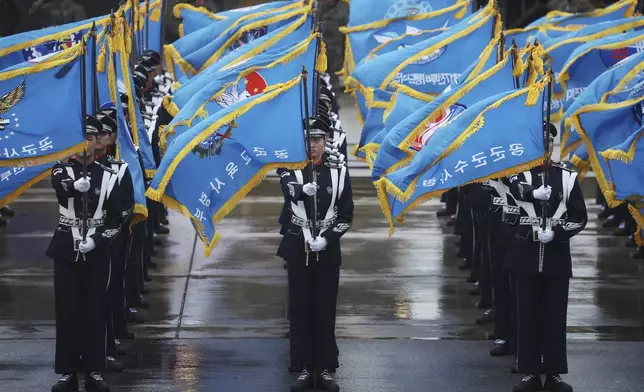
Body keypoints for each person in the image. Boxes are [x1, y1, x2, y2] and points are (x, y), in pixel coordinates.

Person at [506, 124, 587, 392]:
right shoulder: (519, 173)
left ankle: (553, 372)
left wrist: (558, 233)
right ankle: (529, 371)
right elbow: (516, 190)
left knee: (554, 317)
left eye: (549, 143)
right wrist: (533, 193)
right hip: (526, 254)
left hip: (555, 255)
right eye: (541, 144)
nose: (546, 149)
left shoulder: (567, 178)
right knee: (527, 315)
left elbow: (579, 217)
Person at [47, 115, 123, 392]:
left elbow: (116, 216)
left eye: (90, 139)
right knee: (67, 311)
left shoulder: (109, 175)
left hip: (95, 249)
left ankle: (94, 369)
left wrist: (99, 239)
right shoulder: (62, 170)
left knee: (95, 310)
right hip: (67, 247)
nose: (86, 144)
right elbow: (59, 187)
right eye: (82, 138)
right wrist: (72, 186)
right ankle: (67, 371)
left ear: (96, 143)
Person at [277, 117, 353, 392]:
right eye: (309, 139)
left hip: (327, 251)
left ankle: (325, 368)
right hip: (299, 248)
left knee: (324, 310)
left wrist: (329, 238)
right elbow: (286, 188)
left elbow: (346, 215)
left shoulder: (339, 173)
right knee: (300, 310)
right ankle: (303, 368)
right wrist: (301, 190)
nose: (313, 145)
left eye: (318, 140)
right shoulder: (292, 168)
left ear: (326, 141)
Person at [95, 110, 134, 371]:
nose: (95, 140)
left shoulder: (118, 169)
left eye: (100, 134)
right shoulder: (73, 169)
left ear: (111, 137)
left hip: (110, 240)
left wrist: (104, 235)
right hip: (80, 244)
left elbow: (124, 207)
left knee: (108, 295)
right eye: (89, 135)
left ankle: (107, 349)